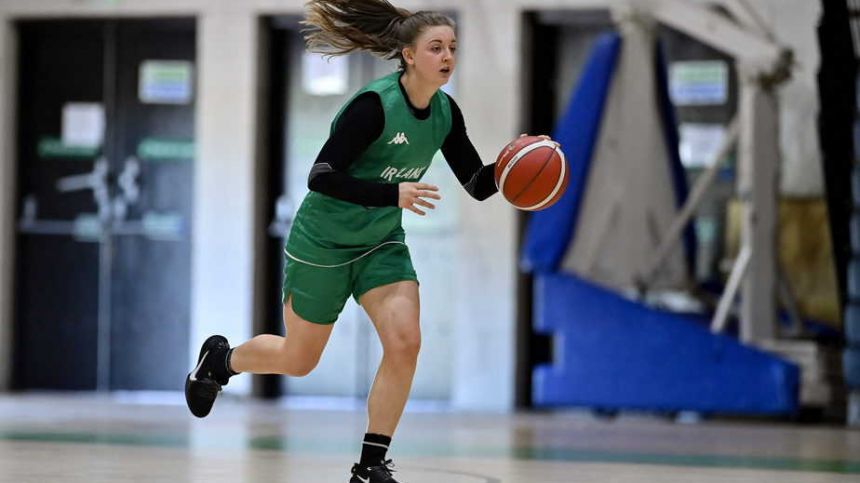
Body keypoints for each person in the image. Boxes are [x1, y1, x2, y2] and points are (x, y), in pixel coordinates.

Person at [184, 1, 502, 481]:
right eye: (436, 47)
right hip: (323, 245)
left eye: (452, 48)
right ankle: (221, 361)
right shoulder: (373, 107)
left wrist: (517, 166)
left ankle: (370, 465)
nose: (447, 56)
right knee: (300, 359)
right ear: (409, 55)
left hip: (380, 244)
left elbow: (477, 182)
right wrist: (391, 192)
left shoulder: (444, 113)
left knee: (405, 342)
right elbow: (321, 176)